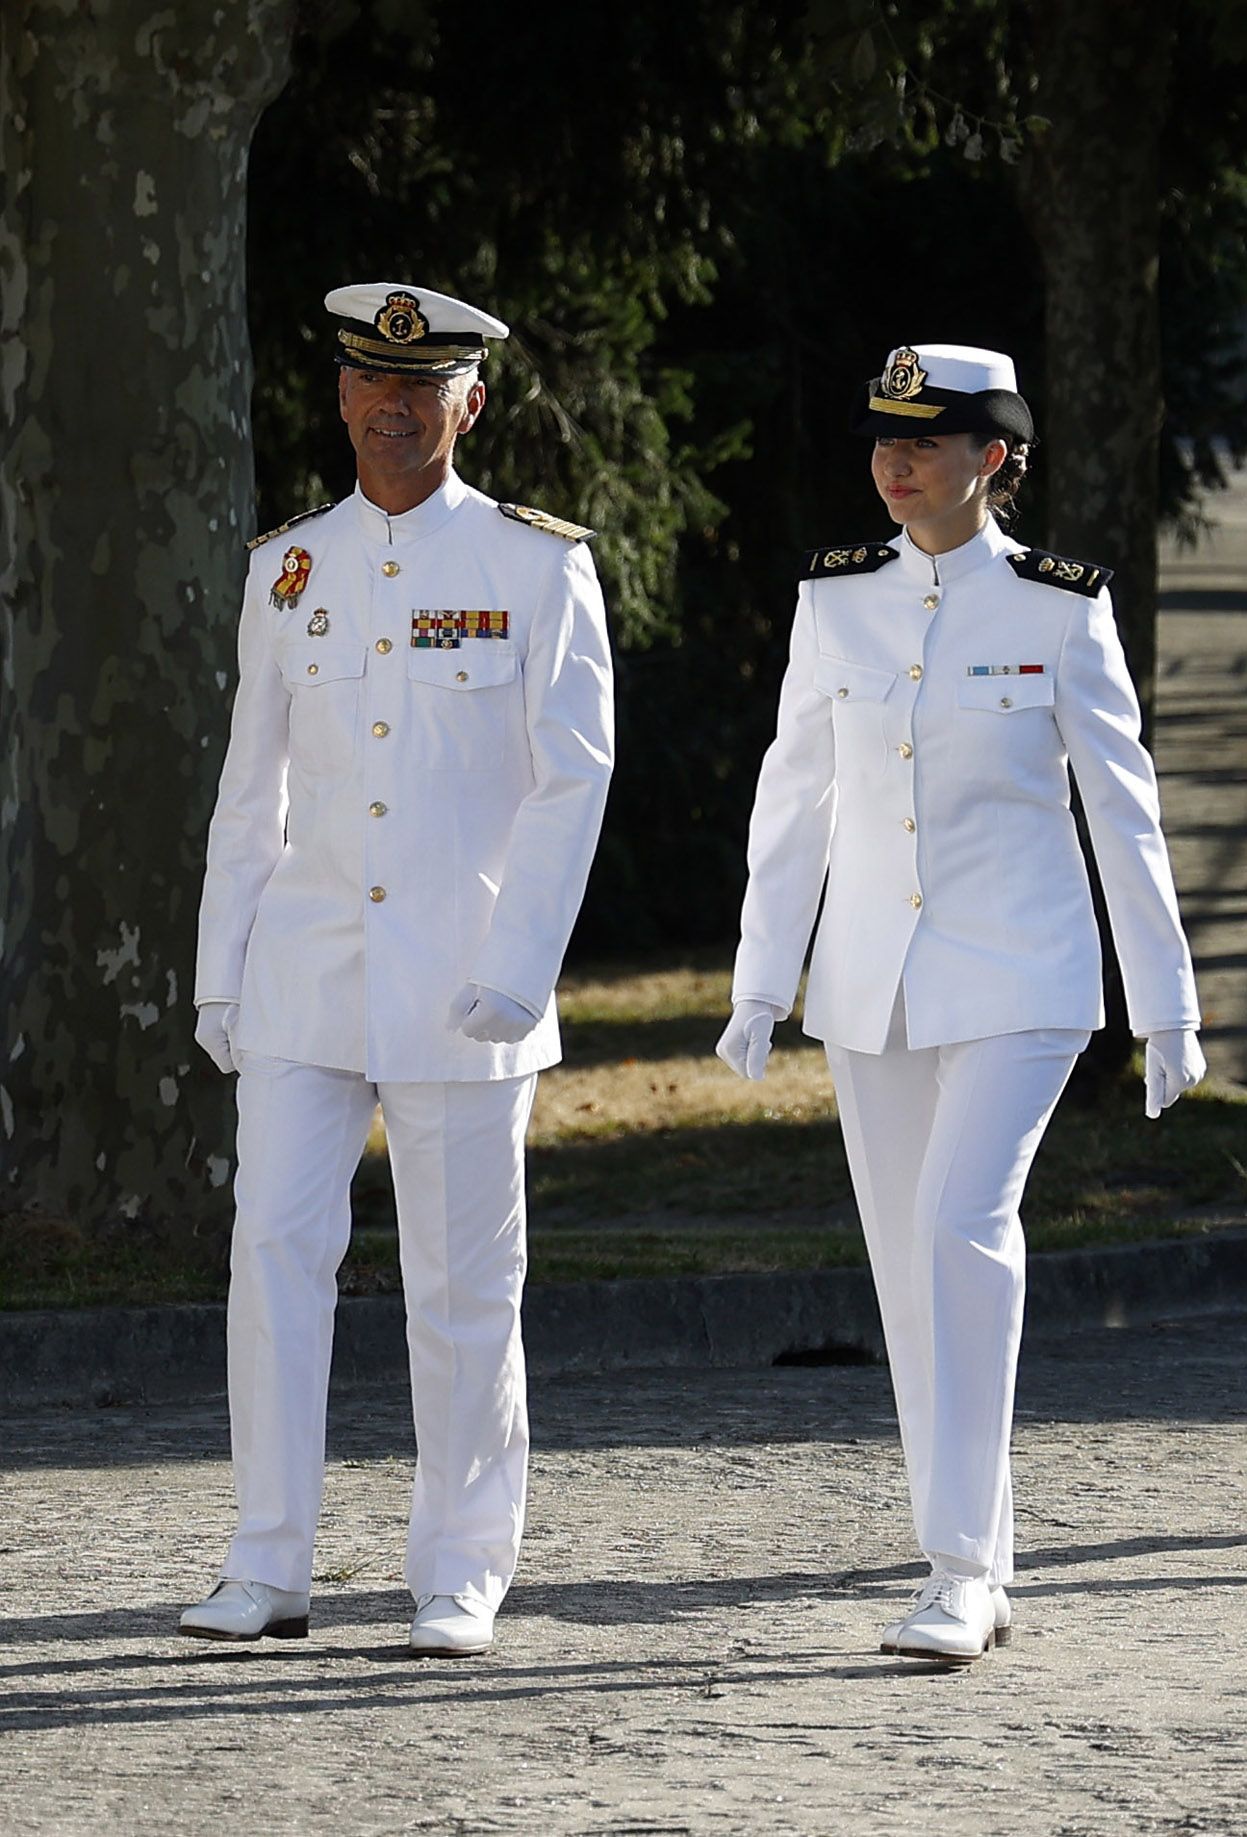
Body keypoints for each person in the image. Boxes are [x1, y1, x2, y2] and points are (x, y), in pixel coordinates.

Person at [716, 343, 1204, 1663]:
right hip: (871, 983)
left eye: (926, 440)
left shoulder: (1060, 610)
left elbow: (1124, 813)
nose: (895, 461)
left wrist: (1166, 1005)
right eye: (885, 438)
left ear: (993, 457)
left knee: (958, 1228)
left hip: (1022, 974)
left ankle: (961, 1568)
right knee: (906, 1267)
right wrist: (763, 979)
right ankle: (975, 1550)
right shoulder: (836, 602)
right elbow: (795, 799)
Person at [181, 281, 614, 1656]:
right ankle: (268, 1562)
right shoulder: (288, 565)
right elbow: (250, 789)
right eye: (372, 382)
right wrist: (219, 969)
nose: (392, 408)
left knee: (465, 1285)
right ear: (341, 393)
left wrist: (521, 964)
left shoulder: (535, 566)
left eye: (422, 388)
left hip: (462, 980)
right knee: (270, 1257)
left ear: (468, 405)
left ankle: (461, 1571)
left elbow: (572, 781)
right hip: (304, 971)